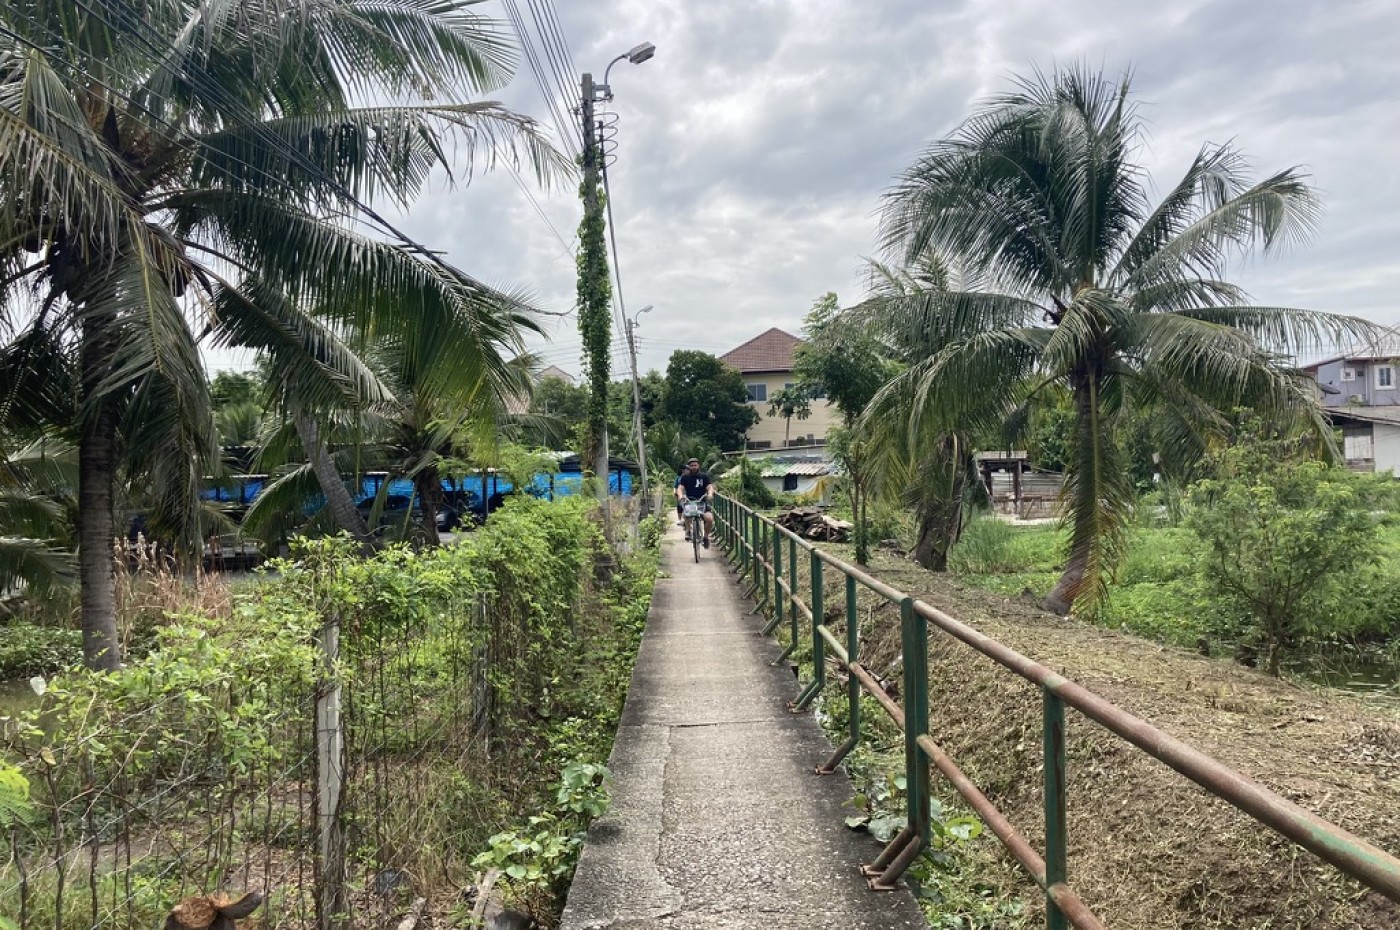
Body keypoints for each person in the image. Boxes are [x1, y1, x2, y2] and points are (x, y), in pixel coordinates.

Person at [675, 457, 715, 547]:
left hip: (702, 502)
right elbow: (680, 488)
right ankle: (688, 530)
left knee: (709, 519)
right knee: (686, 514)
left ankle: (705, 537)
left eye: (695, 465)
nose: (693, 467)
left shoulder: (704, 476)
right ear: (689, 467)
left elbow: (709, 487)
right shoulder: (685, 477)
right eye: (691, 465)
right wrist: (681, 495)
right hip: (690, 502)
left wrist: (710, 494)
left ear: (698, 466)